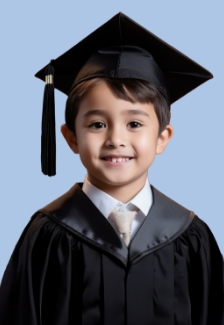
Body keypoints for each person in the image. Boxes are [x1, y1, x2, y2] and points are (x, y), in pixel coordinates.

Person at [0, 12, 223, 325]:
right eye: (97, 124)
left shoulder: (192, 237)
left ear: (162, 138)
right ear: (70, 137)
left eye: (134, 123)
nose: (116, 139)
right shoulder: (47, 236)